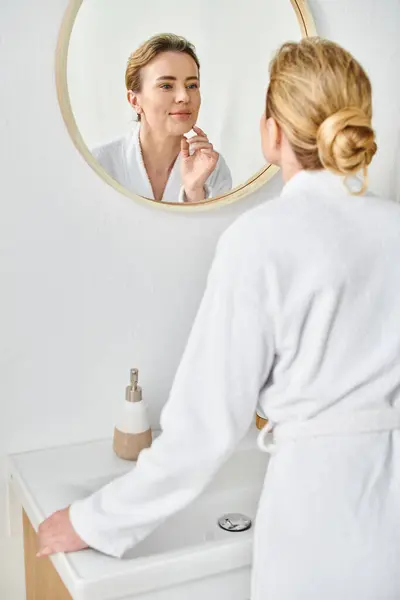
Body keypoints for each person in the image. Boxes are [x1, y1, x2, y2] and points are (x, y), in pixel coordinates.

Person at [37, 37, 400, 600]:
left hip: (317, 520)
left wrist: (91, 521)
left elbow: (202, 433)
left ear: (272, 130)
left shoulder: (261, 238)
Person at [92, 33, 232, 203]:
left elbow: (216, 229)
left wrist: (194, 192)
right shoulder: (99, 165)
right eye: (166, 86)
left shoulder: (213, 168)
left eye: (192, 85)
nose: (184, 97)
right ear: (135, 100)